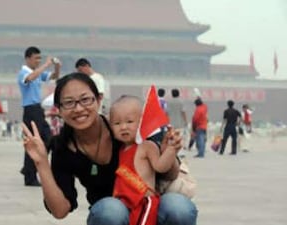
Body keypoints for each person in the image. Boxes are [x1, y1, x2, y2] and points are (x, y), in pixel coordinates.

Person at [21, 72, 197, 225]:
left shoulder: (128, 126)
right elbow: (60, 211)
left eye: (85, 99)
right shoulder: (64, 148)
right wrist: (41, 162)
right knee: (110, 210)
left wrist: (170, 151)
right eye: (69, 103)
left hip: (150, 206)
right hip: (111, 215)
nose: (79, 108)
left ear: (98, 99)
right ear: (58, 109)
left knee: (178, 208)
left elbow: (170, 174)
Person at [110, 95, 179, 225]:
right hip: (125, 203)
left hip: (144, 202)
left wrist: (171, 150)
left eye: (129, 122)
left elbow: (160, 166)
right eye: (117, 123)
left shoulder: (146, 146)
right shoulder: (120, 149)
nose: (123, 127)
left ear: (142, 122)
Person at [17, 46, 61, 186]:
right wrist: (46, 64)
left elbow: (53, 77)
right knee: (34, 142)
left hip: (38, 109)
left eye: (40, 59)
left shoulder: (36, 72)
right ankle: (29, 176)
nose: (38, 61)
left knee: (48, 139)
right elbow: (30, 78)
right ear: (28, 58)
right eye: (36, 58)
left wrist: (57, 67)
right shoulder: (24, 72)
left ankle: (28, 168)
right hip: (30, 110)